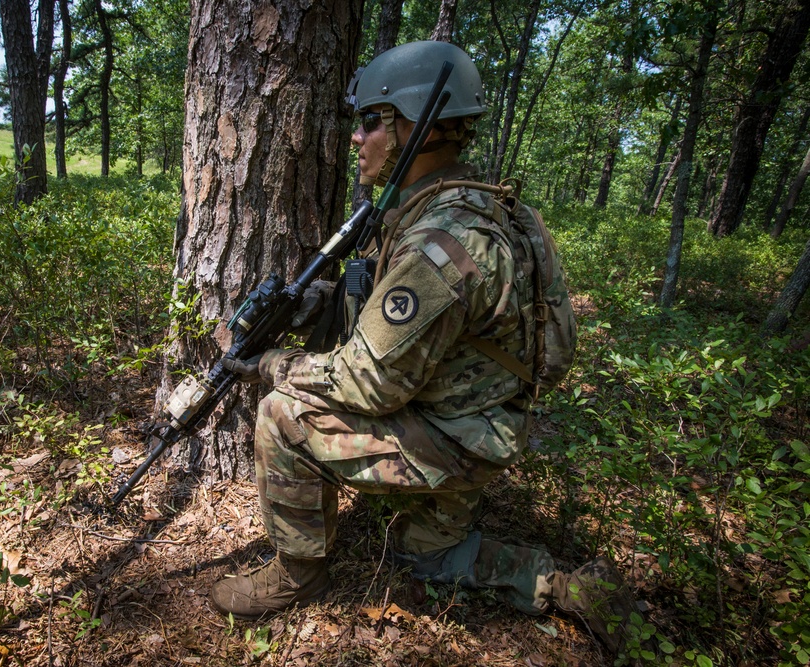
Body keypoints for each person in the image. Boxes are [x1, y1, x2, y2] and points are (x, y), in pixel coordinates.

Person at [215, 40, 642, 657]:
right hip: (490, 424)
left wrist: (274, 364)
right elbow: (540, 349)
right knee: (431, 559)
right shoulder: (488, 207)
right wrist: (322, 304)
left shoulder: (440, 241)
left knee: (282, 415)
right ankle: (569, 587)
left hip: (453, 434)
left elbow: (370, 384)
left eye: (370, 121)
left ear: (412, 123)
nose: (357, 138)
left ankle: (299, 576)